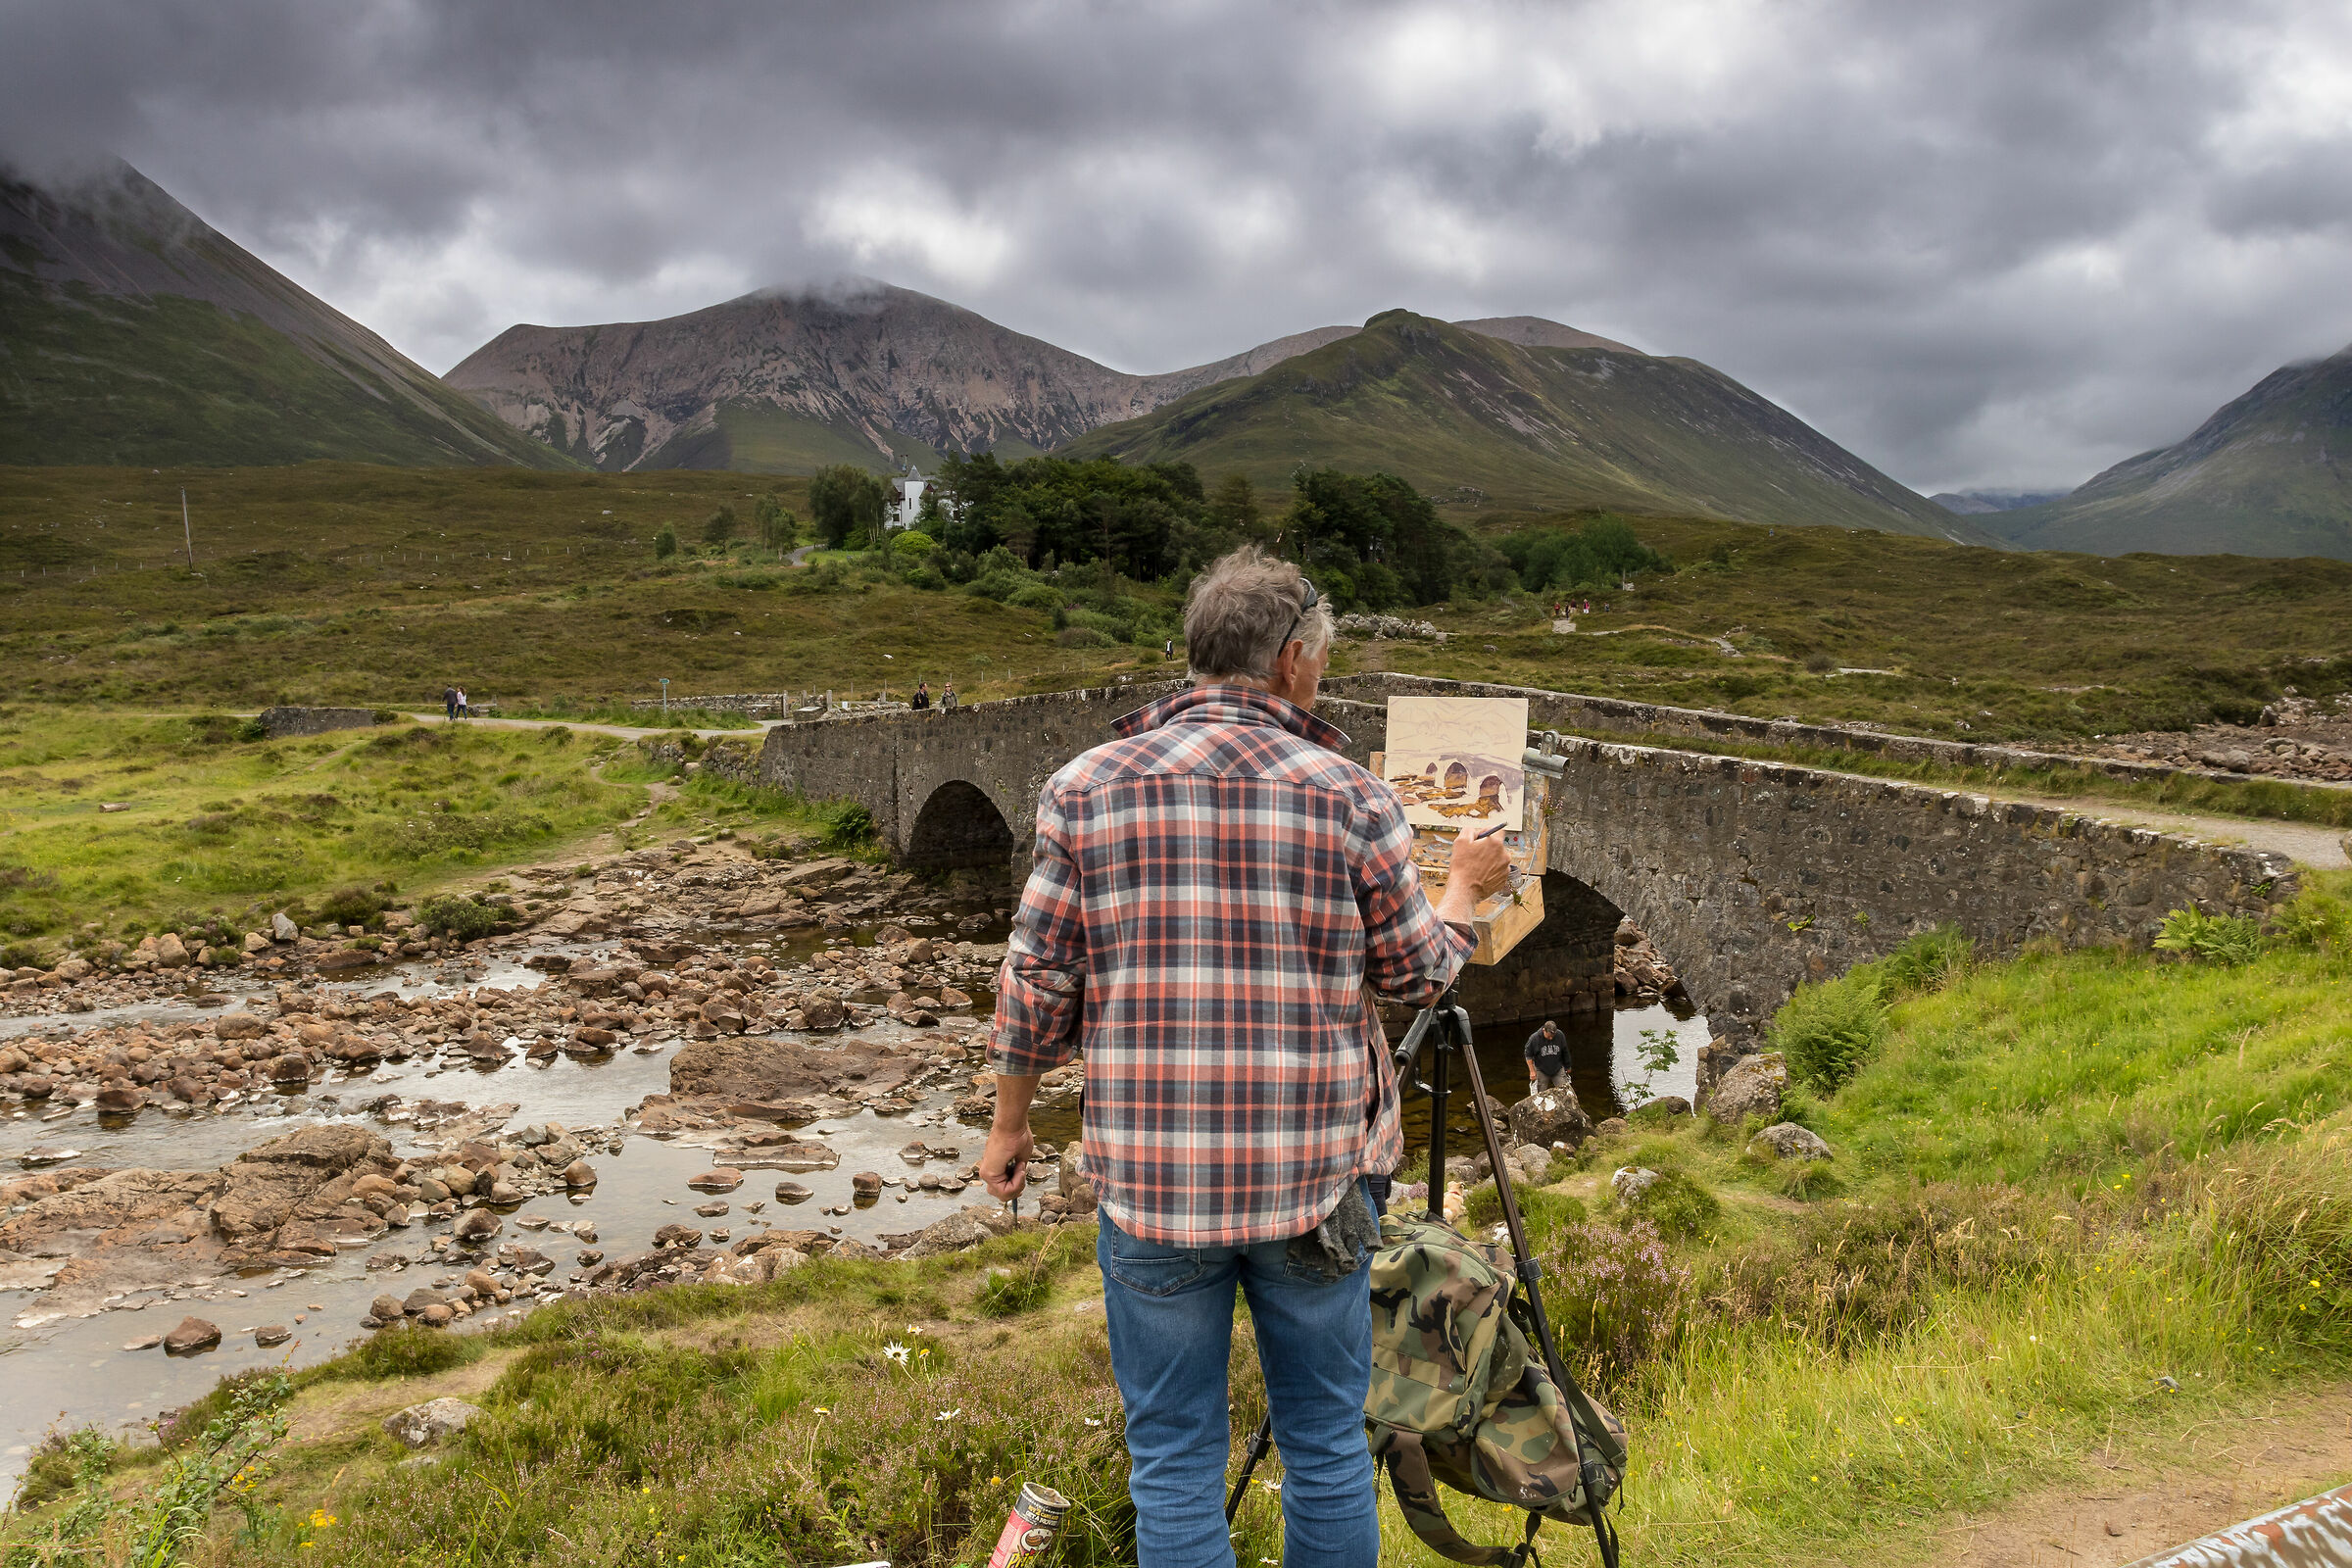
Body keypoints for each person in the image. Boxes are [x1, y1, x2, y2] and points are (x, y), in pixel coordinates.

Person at [985, 545, 1511, 1568]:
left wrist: (1011, 1124)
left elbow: (1037, 981)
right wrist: (1463, 890)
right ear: (1292, 665)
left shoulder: (1082, 788)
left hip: (1150, 1183)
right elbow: (1413, 972)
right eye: (1318, 658)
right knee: (1322, 1443)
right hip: (1314, 1180)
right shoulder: (1350, 795)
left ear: (1196, 655)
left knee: (1173, 1454)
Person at [1525, 1018, 1570, 1091]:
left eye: (1553, 1036)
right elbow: (1528, 1055)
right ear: (1543, 1030)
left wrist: (1568, 1066)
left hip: (1557, 1069)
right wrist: (1532, 1071)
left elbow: (1565, 1051)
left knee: (1565, 1090)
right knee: (1540, 1094)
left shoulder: (1560, 1035)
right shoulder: (1534, 1038)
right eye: (1549, 1036)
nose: (1551, 1038)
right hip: (1541, 1070)